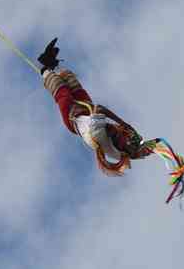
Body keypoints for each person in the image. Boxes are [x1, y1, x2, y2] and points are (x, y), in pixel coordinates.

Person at [37, 37, 157, 176]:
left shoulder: (98, 135)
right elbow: (136, 153)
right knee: (73, 82)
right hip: (87, 111)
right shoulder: (123, 150)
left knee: (60, 89)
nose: (123, 135)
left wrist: (123, 123)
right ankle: (53, 65)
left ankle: (45, 69)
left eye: (124, 138)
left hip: (73, 117)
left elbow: (100, 109)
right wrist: (147, 148)